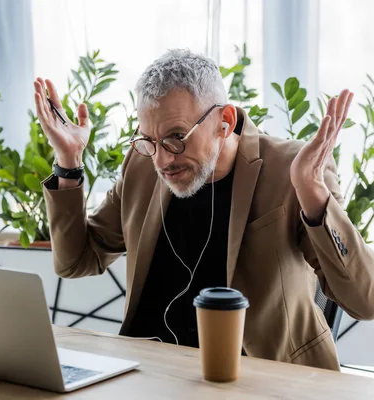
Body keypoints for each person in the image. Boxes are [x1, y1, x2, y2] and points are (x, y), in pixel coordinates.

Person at [33, 49, 374, 371]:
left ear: (224, 121)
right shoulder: (142, 164)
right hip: (147, 372)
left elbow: (365, 301)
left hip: (256, 378)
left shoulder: (293, 170)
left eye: (176, 137)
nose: (163, 160)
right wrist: (68, 163)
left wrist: (314, 195)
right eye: (149, 139)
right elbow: (76, 261)